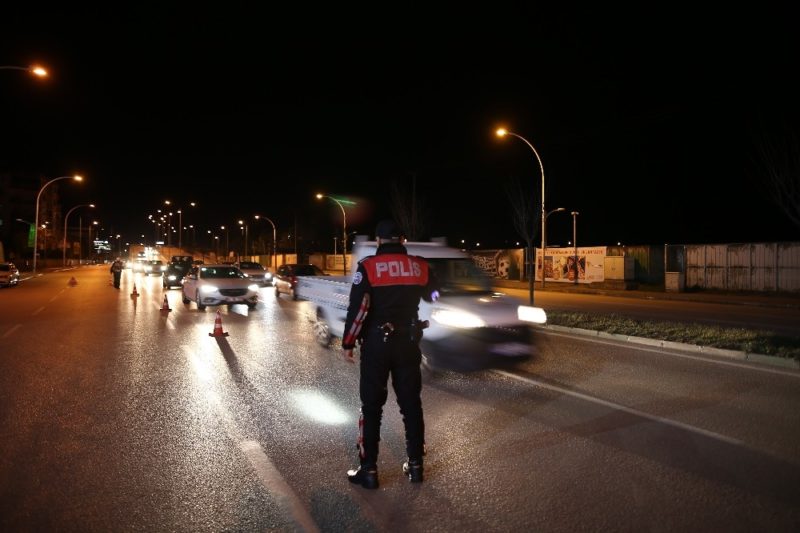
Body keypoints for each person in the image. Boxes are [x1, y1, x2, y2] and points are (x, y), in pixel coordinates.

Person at [342, 219, 440, 489]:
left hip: (376, 344)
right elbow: (433, 296)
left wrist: (348, 343)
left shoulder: (369, 268)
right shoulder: (420, 266)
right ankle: (416, 466)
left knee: (372, 407)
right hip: (408, 342)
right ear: (403, 240)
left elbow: (359, 308)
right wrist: (428, 282)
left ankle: (369, 471)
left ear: (378, 241)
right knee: (411, 405)